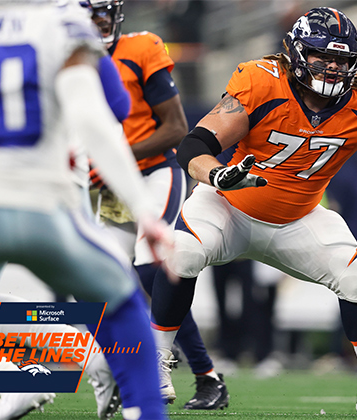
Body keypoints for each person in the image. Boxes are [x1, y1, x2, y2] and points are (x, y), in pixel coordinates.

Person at [151, 7, 357, 419]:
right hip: (229, 207)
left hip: (297, 218)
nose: (332, 68)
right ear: (294, 53)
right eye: (321, 56)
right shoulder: (261, 82)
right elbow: (194, 147)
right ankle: (156, 363)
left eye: (341, 60)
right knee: (181, 252)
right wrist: (219, 176)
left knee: (356, 280)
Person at [0, 0, 173, 418]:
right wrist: (145, 209)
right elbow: (110, 109)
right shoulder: (59, 19)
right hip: (45, 192)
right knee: (118, 301)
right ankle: (115, 389)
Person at [83, 0, 227, 409]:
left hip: (151, 174)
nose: (96, 23)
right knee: (109, 282)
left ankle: (201, 375)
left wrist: (113, 160)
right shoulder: (64, 58)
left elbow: (177, 129)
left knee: (151, 270)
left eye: (102, 14)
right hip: (111, 185)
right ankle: (129, 374)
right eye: (87, 16)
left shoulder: (141, 48)